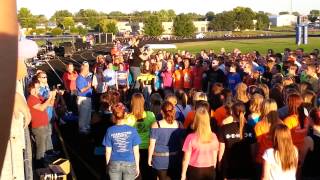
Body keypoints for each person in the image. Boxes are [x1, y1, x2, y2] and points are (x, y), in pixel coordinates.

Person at [218, 102, 256, 179]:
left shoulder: (224, 128)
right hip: (246, 167)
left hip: (229, 167)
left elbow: (221, 150)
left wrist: (219, 165)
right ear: (245, 112)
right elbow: (253, 151)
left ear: (231, 112)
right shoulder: (250, 128)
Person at [103, 103, 141, 180]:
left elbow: (108, 151)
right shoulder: (132, 130)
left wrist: (107, 165)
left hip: (114, 162)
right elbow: (136, 151)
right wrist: (137, 166)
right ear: (125, 115)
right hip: (130, 163)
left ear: (114, 115)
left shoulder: (110, 130)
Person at [148, 101, 185, 180]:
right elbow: (182, 144)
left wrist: (149, 158)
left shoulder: (156, 125)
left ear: (162, 112)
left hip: (159, 161)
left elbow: (152, 145)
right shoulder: (180, 124)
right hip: (175, 159)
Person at [181, 107, 219, 180]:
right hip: (210, 169)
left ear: (196, 120)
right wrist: (213, 169)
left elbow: (186, 159)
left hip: (194, 170)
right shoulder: (214, 136)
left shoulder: (190, 137)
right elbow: (215, 157)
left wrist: (183, 175)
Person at [125, 93, 156, 180]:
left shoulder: (128, 118)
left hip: (134, 150)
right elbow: (155, 132)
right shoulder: (150, 115)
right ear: (143, 102)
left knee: (137, 175)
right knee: (148, 174)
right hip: (148, 148)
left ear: (132, 103)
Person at [27, 80, 55, 167]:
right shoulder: (31, 99)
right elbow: (42, 108)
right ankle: (39, 166)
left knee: (44, 147)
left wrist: (53, 97)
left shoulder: (38, 96)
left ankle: (43, 163)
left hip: (44, 125)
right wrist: (50, 98)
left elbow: (50, 105)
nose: (39, 89)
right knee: (41, 148)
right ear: (32, 89)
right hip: (39, 127)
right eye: (37, 87)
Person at [301, 108, 320, 179]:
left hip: (311, 174)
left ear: (311, 119)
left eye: (308, 117)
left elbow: (301, 160)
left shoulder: (309, 139)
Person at [76, 61, 93, 134]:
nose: (88, 71)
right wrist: (88, 86)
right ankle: (82, 128)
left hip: (87, 98)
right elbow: (81, 89)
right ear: (83, 70)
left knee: (88, 113)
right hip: (83, 98)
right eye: (87, 70)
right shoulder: (79, 78)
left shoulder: (85, 78)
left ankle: (87, 126)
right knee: (83, 114)